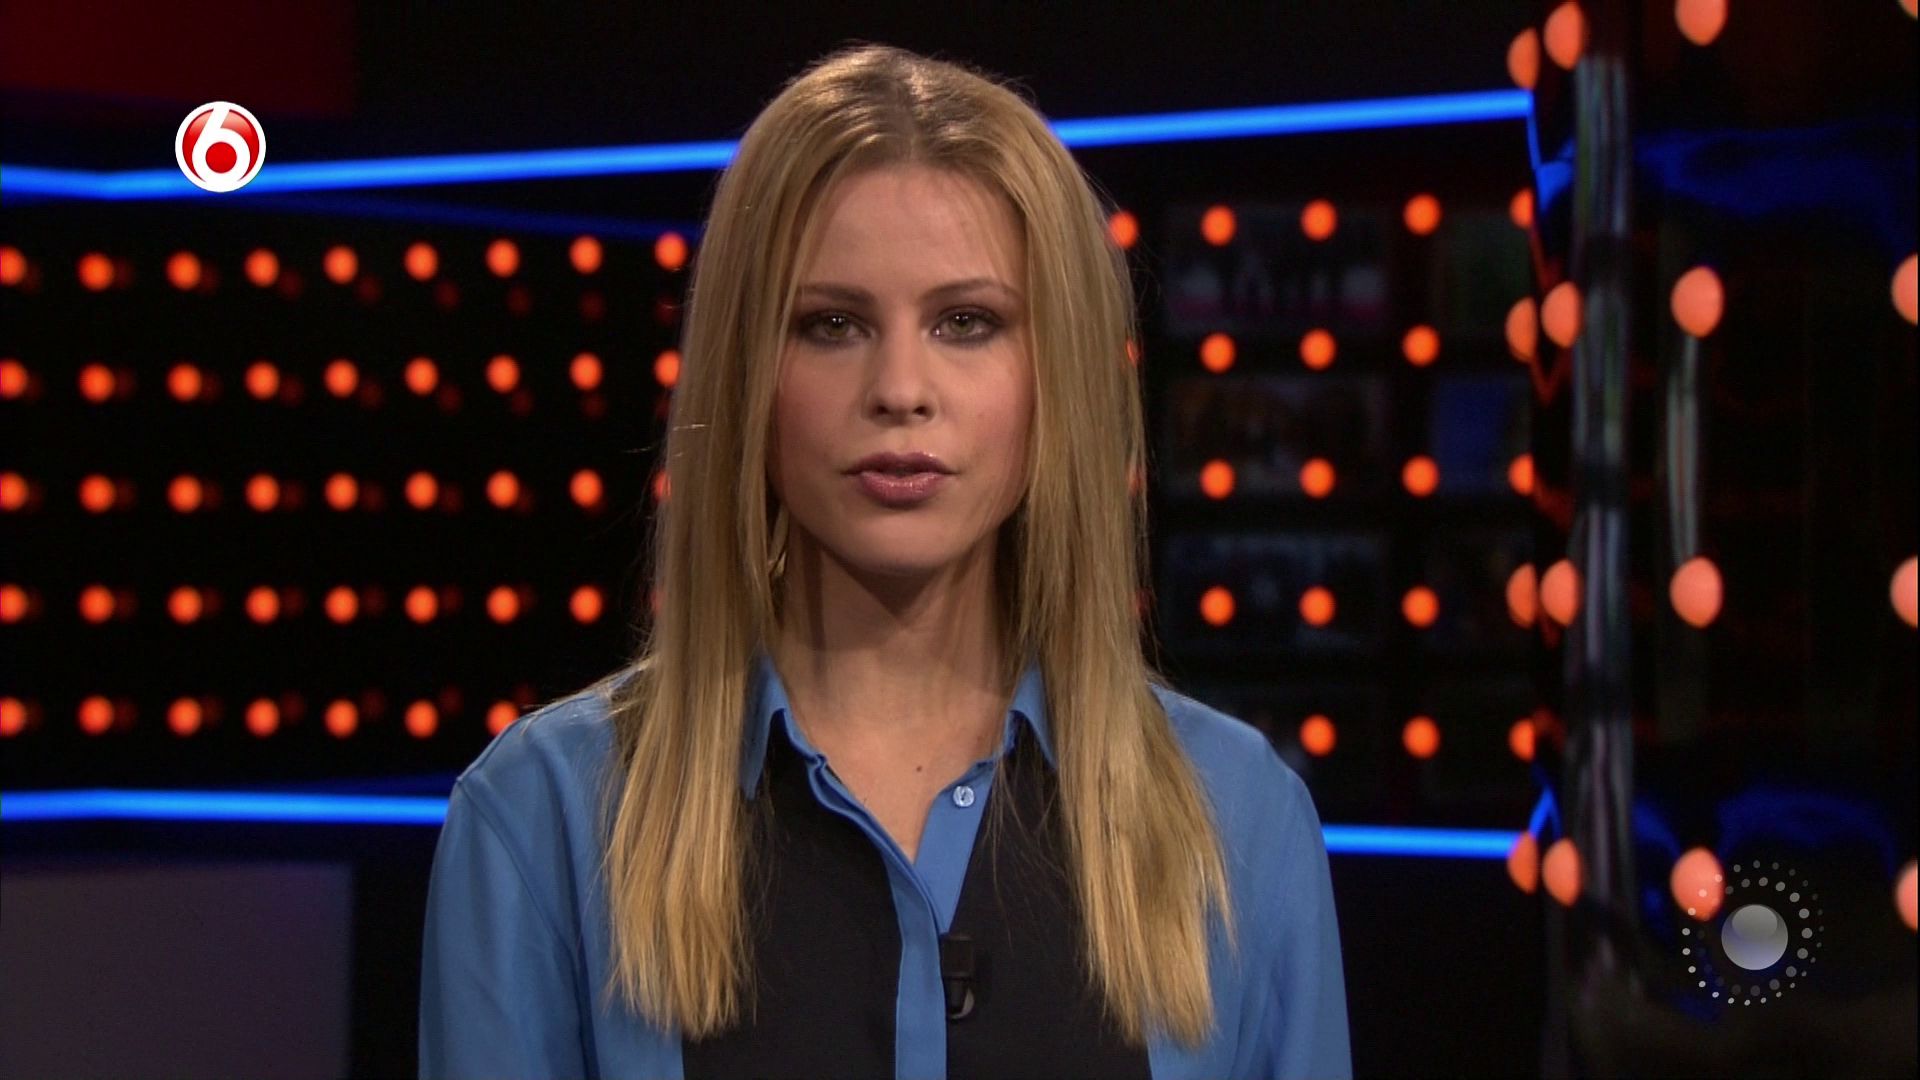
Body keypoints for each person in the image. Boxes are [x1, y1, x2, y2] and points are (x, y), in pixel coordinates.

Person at [419, 42, 1351, 1080]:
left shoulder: (1239, 820)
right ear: (747, 372)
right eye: (832, 324)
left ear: (1057, 375)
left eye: (967, 322)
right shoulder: (546, 818)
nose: (901, 389)